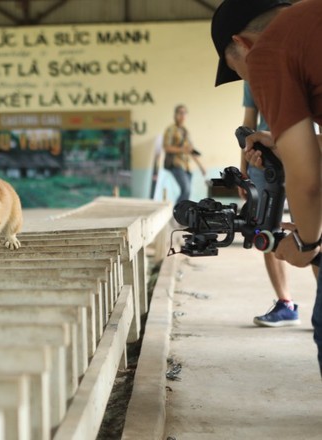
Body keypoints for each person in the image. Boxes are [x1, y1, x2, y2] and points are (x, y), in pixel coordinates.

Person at [211, 0, 322, 375]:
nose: (249, 80)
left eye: (237, 70)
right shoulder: (310, 22)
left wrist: (306, 245)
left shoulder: (268, 50)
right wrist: (281, 143)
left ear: (242, 45)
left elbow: (307, 182)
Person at [241, 81, 300, 327]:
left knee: (311, 232)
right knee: (265, 231)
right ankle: (285, 303)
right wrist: (244, 170)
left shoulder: (302, 60)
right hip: (262, 159)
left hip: (302, 151)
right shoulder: (251, 73)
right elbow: (248, 121)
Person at [162, 104, 206, 204]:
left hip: (186, 165)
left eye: (184, 113)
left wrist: (201, 166)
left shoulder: (186, 131)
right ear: (175, 115)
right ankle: (176, 212)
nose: (182, 115)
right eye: (180, 113)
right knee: (186, 190)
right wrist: (181, 149)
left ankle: (181, 214)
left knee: (187, 192)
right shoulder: (171, 129)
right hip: (176, 164)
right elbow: (166, 147)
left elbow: (190, 150)